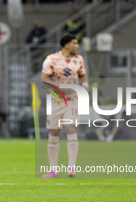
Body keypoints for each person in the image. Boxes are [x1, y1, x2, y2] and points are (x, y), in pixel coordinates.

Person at [41, 34, 88, 178]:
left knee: (70, 127)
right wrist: (61, 88)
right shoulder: (51, 59)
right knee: (54, 132)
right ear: (66, 45)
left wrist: (85, 85)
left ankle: (71, 167)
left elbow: (82, 75)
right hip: (55, 101)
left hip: (72, 100)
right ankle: (53, 170)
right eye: (74, 43)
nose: (77, 46)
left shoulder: (79, 59)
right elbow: (44, 80)